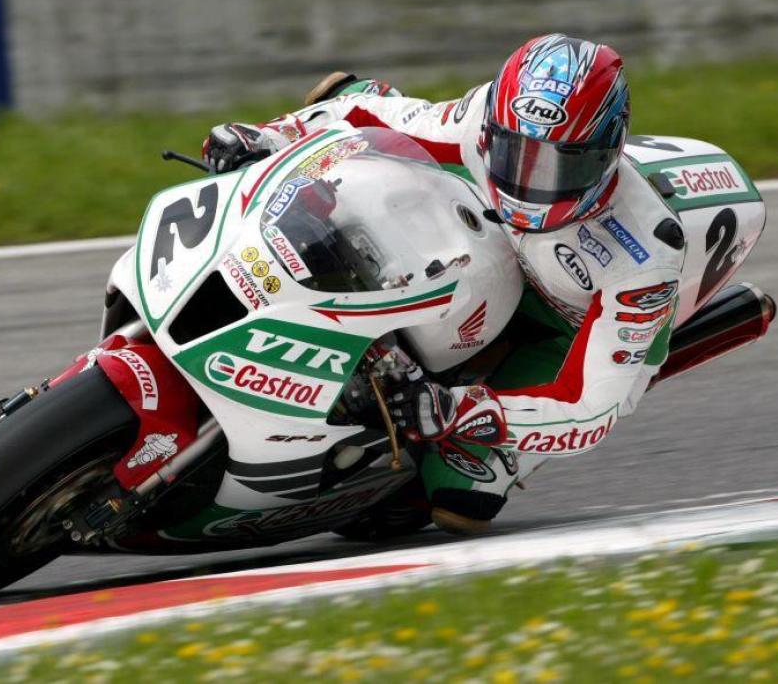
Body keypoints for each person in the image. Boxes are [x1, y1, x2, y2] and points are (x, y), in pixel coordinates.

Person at [202, 34, 686, 535]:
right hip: (489, 243)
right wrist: (271, 135)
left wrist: (462, 410)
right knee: (363, 184)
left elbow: (590, 408)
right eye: (515, 153)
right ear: (495, 129)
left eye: (560, 165)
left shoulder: (646, 254)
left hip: (568, 328)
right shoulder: (485, 118)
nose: (530, 180)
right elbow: (376, 119)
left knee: (457, 499)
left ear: (607, 153)